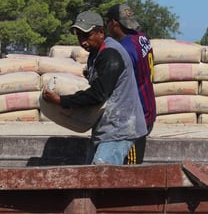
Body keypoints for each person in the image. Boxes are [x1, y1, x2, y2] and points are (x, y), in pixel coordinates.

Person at [42, 11, 148, 165]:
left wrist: (60, 100)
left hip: (121, 130)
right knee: (93, 178)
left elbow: (97, 95)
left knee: (101, 179)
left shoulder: (111, 55)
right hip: (106, 130)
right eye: (79, 36)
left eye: (87, 36)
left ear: (101, 32)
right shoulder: (96, 54)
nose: (83, 42)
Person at [106, 4, 156, 164]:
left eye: (107, 23)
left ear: (114, 23)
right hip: (147, 108)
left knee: (130, 172)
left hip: (134, 120)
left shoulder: (124, 49)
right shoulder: (142, 38)